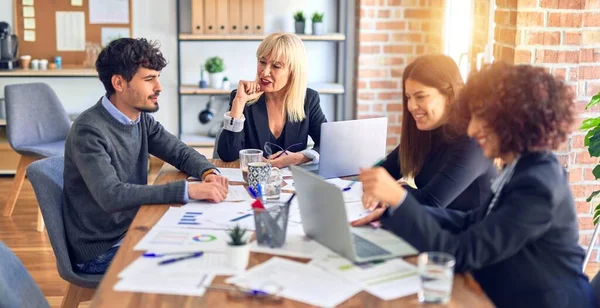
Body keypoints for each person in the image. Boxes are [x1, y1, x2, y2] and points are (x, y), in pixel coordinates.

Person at [354, 62, 595, 307]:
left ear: (514, 120)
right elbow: (470, 222)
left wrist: (400, 199)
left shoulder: (538, 185)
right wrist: (392, 212)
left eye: (482, 118)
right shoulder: (521, 167)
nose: (471, 129)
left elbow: (462, 253)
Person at [63, 38, 230, 274]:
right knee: (198, 261)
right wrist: (189, 190)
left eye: (158, 77)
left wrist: (208, 172)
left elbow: (179, 152)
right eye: (149, 79)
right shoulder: (89, 130)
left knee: (213, 239)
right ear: (119, 83)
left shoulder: (140, 119)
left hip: (134, 226)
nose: (159, 87)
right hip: (101, 250)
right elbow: (112, 195)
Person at [366, 55, 497, 212]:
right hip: (434, 229)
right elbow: (382, 172)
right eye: (408, 97)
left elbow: (431, 202)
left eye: (420, 96)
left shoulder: (473, 142)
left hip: (467, 234)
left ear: (448, 96)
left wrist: (396, 189)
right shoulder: (426, 132)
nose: (411, 106)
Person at [216, 33, 327, 168]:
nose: (264, 72)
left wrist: (299, 157)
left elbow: (328, 145)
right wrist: (239, 103)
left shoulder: (308, 99)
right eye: (262, 62)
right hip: (252, 181)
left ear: (293, 71)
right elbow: (227, 155)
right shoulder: (243, 99)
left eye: (276, 66)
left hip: (292, 183)